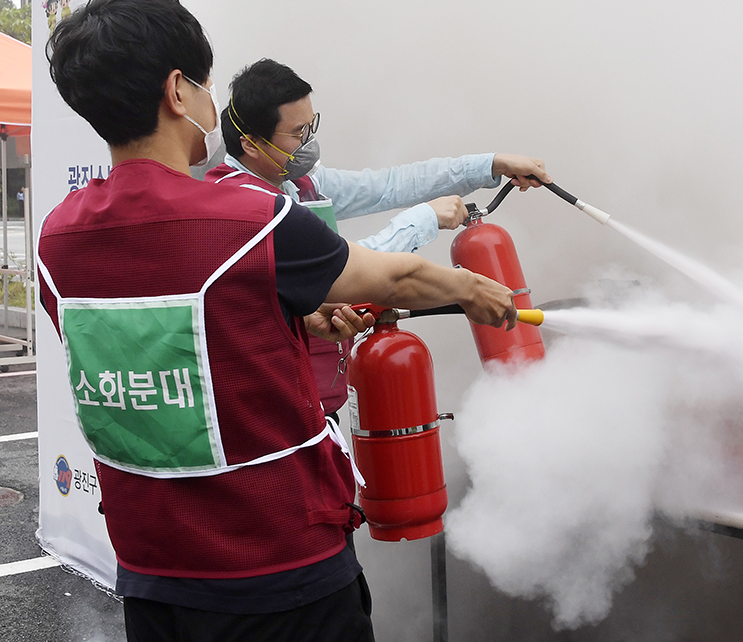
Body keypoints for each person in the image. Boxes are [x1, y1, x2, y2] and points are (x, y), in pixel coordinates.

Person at [38, 0, 515, 642]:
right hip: (280, 580)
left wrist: (301, 321)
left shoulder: (59, 238)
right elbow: (392, 274)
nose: (206, 103)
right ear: (177, 91)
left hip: (154, 587)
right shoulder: (247, 216)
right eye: (200, 84)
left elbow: (186, 339)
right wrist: (474, 290)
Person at [207, 57, 550, 416]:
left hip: (317, 407)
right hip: (275, 414)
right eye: (298, 134)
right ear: (251, 144)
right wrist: (424, 220)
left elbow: (389, 185)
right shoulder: (245, 208)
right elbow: (344, 270)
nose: (309, 143)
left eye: (312, 127)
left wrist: (490, 164)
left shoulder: (297, 182)